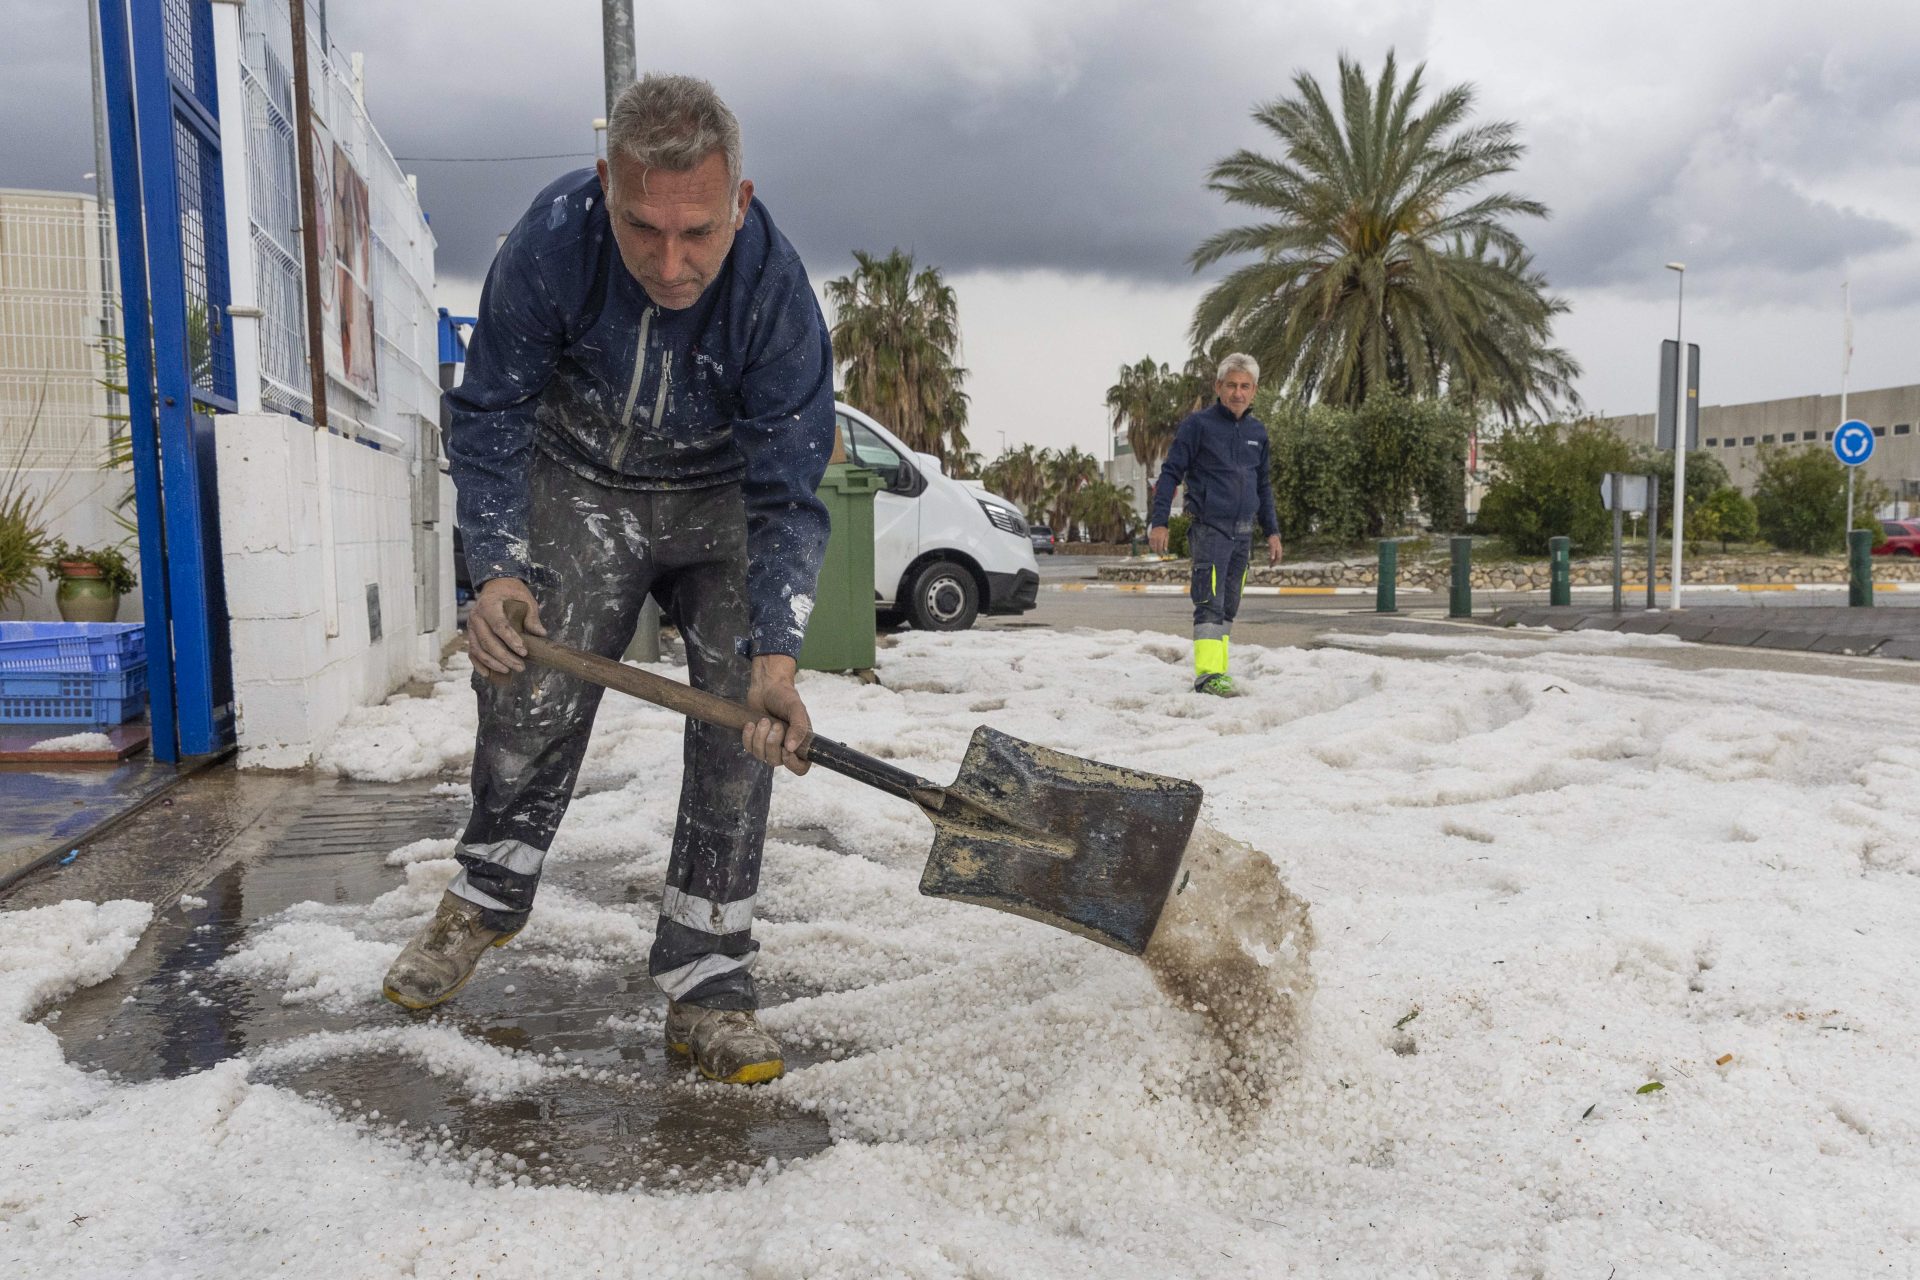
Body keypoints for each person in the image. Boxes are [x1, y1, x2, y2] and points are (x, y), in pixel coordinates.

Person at [381, 74, 835, 1087]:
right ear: (605, 186)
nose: (671, 263)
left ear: (740, 203)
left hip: (721, 505)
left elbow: (788, 493)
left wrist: (775, 655)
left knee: (737, 723)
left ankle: (709, 975)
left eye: (698, 233)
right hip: (581, 479)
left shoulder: (776, 295)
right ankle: (486, 894)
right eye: (643, 228)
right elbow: (491, 413)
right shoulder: (549, 241)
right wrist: (493, 568)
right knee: (526, 679)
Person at [1146, 354, 1282, 695]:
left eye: (1245, 386)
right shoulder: (1198, 426)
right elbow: (1171, 473)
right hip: (1210, 528)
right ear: (1218, 386)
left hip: (1244, 532)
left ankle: (1218, 671)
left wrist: (1273, 531)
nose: (1238, 393)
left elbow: (1262, 485)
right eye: (1232, 385)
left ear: (1254, 391)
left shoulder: (1257, 431)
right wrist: (1159, 521)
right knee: (1210, 601)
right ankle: (1208, 676)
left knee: (1229, 604)